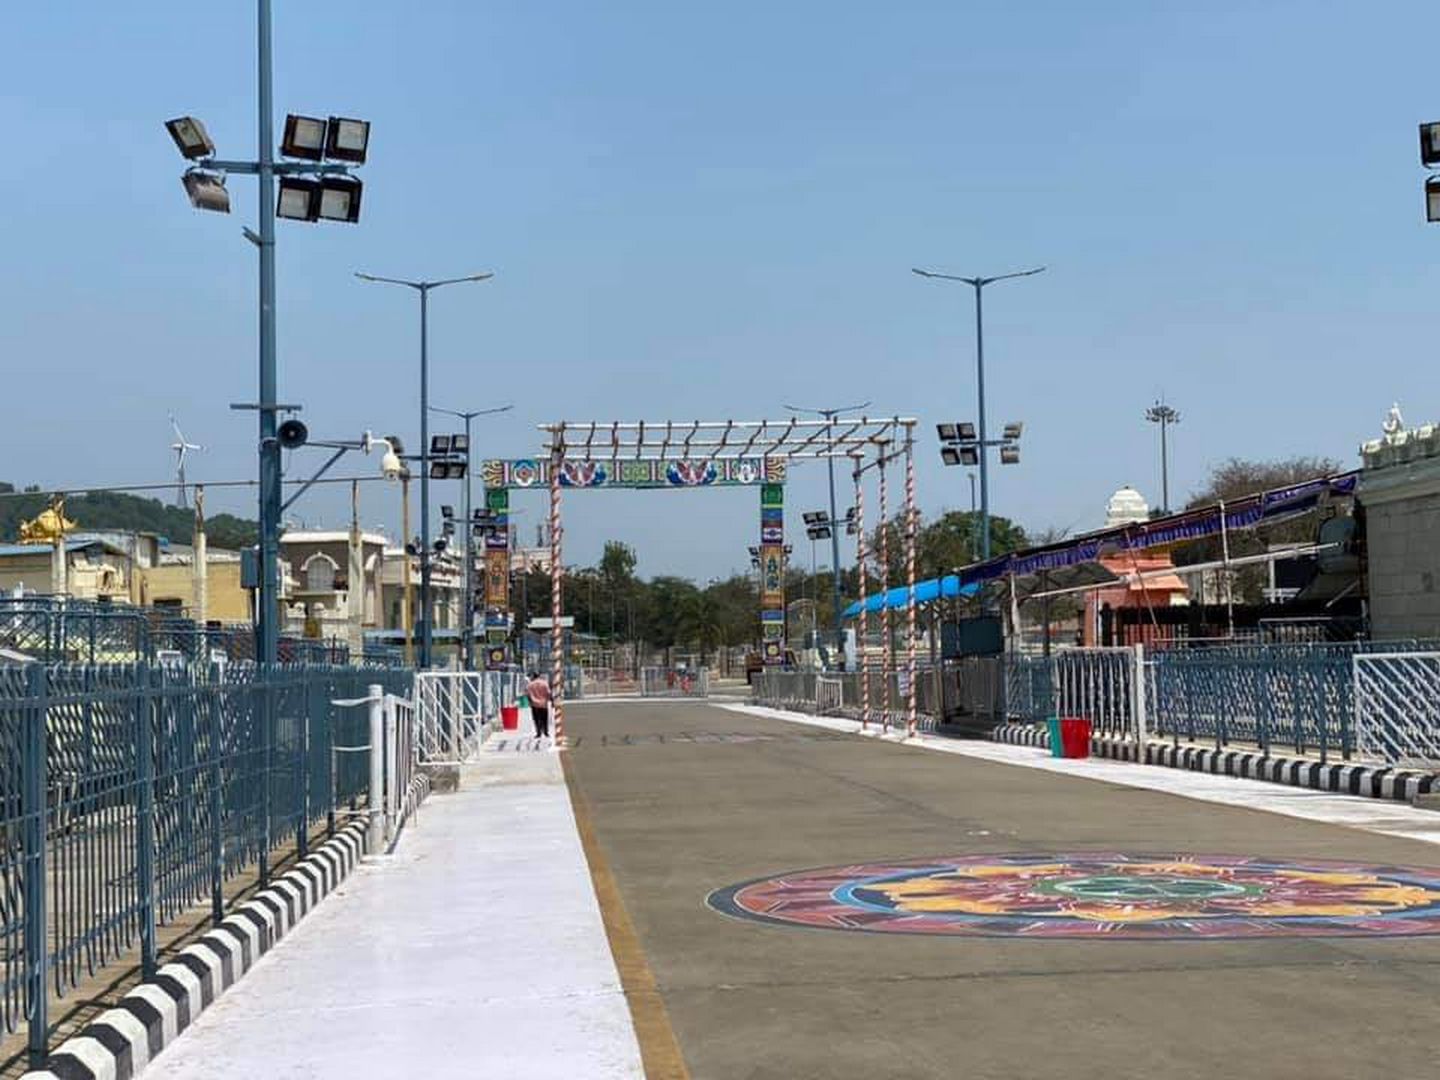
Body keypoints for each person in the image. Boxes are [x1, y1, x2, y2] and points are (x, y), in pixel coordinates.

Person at [526, 670, 551, 738]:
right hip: (544, 704)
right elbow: (548, 693)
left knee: (536, 719)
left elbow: (528, 695)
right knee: (544, 719)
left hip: (534, 704)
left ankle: (538, 732)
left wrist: (530, 702)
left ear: (533, 677)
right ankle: (546, 732)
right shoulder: (544, 683)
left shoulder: (530, 685)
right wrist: (548, 700)